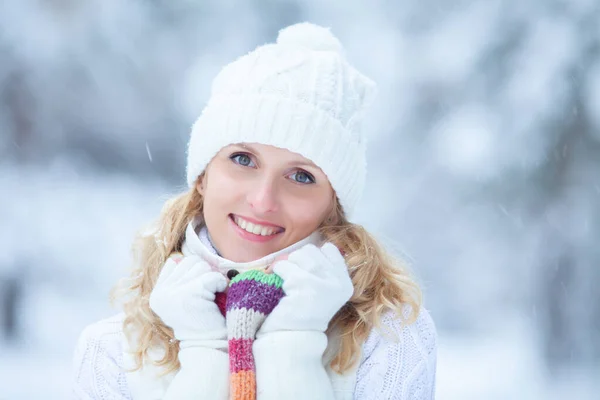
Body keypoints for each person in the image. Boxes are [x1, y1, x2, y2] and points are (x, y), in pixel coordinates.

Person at [72, 22, 437, 400]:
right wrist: (204, 352)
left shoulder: (387, 337)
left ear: (334, 205)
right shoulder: (113, 352)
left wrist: (291, 347)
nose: (263, 200)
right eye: (243, 159)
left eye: (301, 175)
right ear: (202, 176)